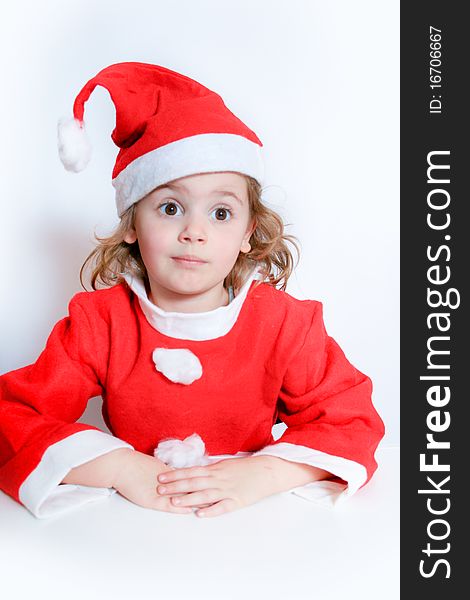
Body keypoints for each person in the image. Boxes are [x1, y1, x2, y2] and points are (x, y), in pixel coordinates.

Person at [0, 62, 385, 519]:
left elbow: (352, 420)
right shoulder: (99, 322)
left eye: (221, 213)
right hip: (130, 523)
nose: (194, 232)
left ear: (249, 233)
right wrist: (122, 468)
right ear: (131, 225)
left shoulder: (286, 324)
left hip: (260, 523)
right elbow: (13, 415)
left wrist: (264, 474)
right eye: (169, 207)